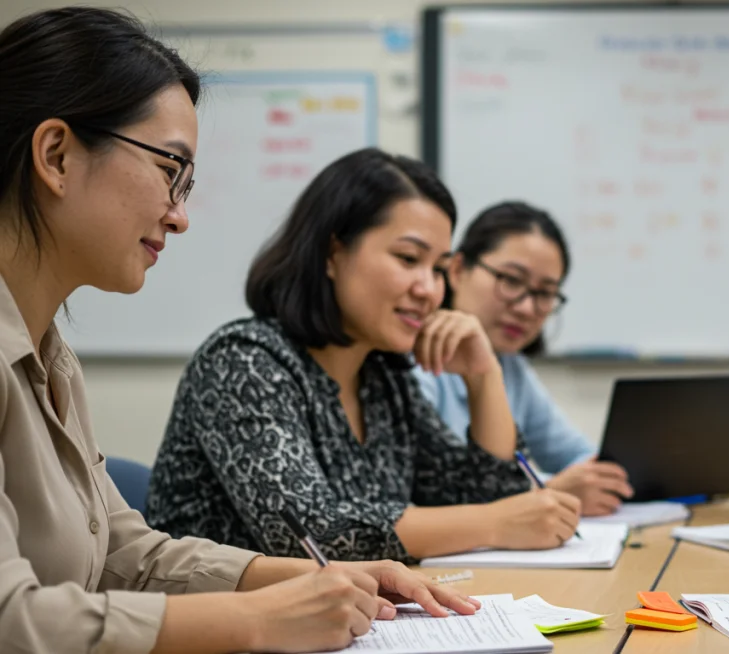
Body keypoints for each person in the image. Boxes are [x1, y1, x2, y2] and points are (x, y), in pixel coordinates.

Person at [0, 8, 475, 654]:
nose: (180, 216)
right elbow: (10, 618)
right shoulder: (247, 358)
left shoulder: (50, 356)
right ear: (56, 155)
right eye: (170, 170)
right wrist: (260, 619)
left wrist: (325, 580)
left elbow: (124, 553)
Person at [145, 150, 583, 563]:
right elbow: (312, 535)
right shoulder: (242, 362)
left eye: (436, 268)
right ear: (334, 253)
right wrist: (496, 524)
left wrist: (484, 375)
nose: (429, 290)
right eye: (408, 258)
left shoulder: (383, 376)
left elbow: (485, 494)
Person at [413, 201, 633, 516]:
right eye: (512, 281)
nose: (527, 308)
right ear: (458, 270)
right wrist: (550, 491)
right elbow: (433, 495)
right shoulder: (410, 359)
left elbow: (580, 457)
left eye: (544, 293)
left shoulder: (509, 366)